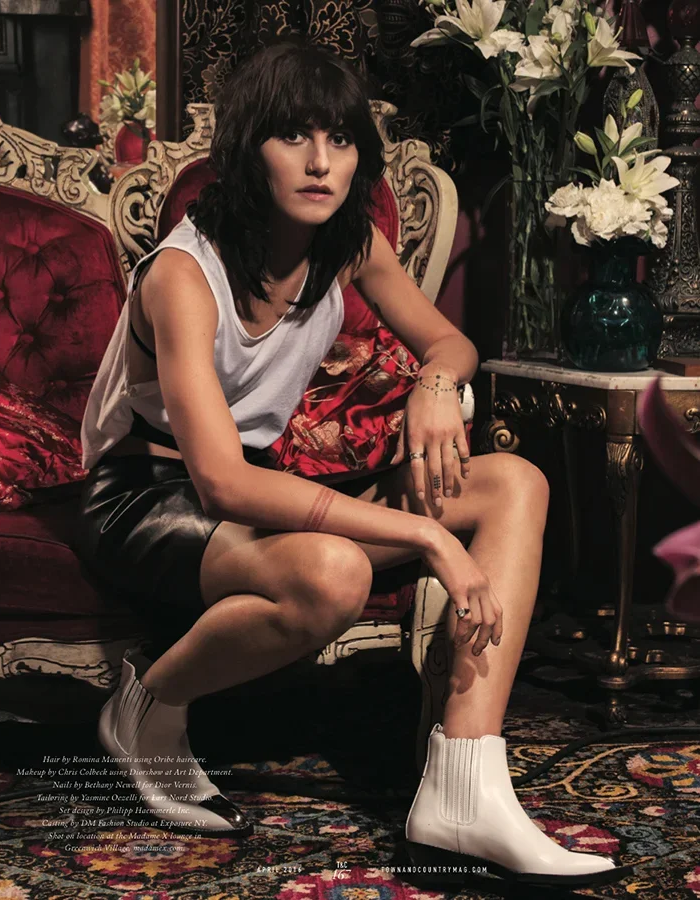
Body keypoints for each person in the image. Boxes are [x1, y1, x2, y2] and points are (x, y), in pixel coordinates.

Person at [74, 39, 617, 887]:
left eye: (341, 138)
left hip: (258, 489)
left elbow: (448, 341)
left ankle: (463, 784)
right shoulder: (183, 273)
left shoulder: (349, 243)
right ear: (247, 149)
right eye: (294, 137)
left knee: (514, 481)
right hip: (148, 493)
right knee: (330, 576)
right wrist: (428, 539)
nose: (322, 162)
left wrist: (434, 386)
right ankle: (145, 706)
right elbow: (218, 480)